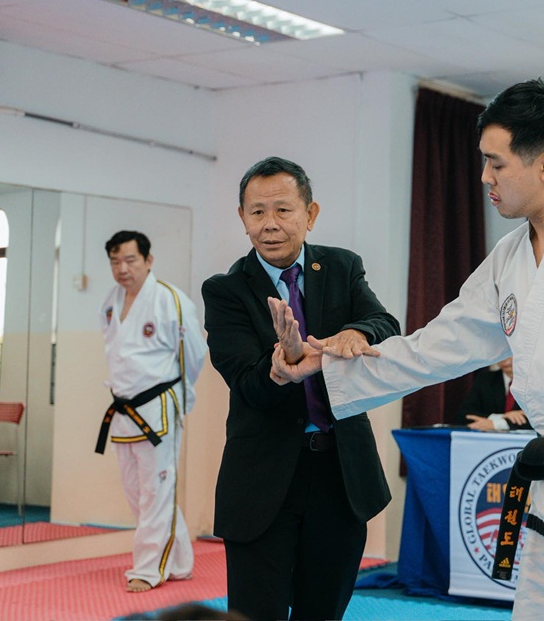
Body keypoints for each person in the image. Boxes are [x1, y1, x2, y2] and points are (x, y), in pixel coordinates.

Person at [271, 79, 544, 620]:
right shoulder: (510, 256)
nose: (485, 177)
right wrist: (325, 367)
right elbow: (439, 345)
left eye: (496, 163)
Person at [202, 157, 398, 621]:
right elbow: (245, 383)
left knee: (322, 611)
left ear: (310, 214)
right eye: (257, 212)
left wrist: (356, 332)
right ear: (243, 218)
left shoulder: (342, 267)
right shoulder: (226, 290)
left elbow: (384, 323)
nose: (269, 224)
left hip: (339, 473)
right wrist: (280, 369)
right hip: (262, 479)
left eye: (283, 210)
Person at [96, 231, 206, 592]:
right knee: (136, 491)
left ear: (148, 260)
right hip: (122, 410)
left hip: (159, 407)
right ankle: (180, 562)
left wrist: (181, 397)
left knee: (157, 490)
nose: (122, 268)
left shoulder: (170, 300)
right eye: (115, 261)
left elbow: (194, 354)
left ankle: (147, 569)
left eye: (130, 260)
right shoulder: (110, 302)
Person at [457, 356, 532, 431]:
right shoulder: (485, 379)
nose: (505, 360)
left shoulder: (534, 381)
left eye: (510, 354)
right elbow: (464, 415)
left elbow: (536, 419)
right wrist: (501, 417)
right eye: (502, 355)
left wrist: (496, 424)